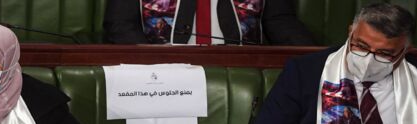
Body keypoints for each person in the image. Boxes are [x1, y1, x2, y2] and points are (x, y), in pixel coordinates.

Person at [241, 4, 417, 124]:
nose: (368, 59)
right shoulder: (305, 73)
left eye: (384, 53)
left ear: (405, 50)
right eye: (361, 46)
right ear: (350, 32)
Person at [104, 0, 314, 46]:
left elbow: (279, 21)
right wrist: (155, 60)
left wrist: (316, 55)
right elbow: (121, 26)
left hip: (239, 72)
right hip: (161, 74)